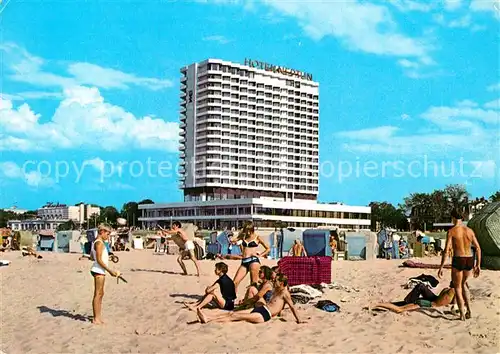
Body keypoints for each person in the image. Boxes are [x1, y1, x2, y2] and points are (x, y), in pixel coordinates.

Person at [197, 273, 306, 324]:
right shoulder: (277, 290)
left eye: (276, 280)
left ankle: (209, 320)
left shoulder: (285, 293)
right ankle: (208, 316)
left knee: (235, 316)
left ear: (282, 283)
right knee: (231, 313)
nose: (274, 281)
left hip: (265, 315)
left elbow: (292, 307)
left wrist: (299, 320)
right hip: (262, 308)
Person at [438, 209, 481, 321]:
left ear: (453, 218)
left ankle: (462, 314)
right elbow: (478, 248)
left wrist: (441, 267)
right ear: (462, 218)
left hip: (458, 259)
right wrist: (478, 265)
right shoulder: (470, 231)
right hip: (469, 259)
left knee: (457, 287)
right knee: (464, 284)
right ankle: (470, 311)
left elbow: (446, 250)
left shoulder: (451, 231)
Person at [90, 224, 120, 325]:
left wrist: (109, 258)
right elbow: (98, 260)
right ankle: (96, 318)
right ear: (102, 231)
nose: (108, 236)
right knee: (98, 294)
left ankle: (98, 316)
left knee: (101, 293)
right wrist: (110, 270)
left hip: (100, 270)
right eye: (108, 233)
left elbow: (93, 257)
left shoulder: (99, 242)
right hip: (98, 270)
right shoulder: (99, 243)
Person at [369, 282, 456, 314]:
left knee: (400, 308)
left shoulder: (451, 291)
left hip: (428, 303)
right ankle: (378, 304)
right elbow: (452, 304)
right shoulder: (451, 291)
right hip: (429, 302)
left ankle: (378, 305)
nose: (451, 281)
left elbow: (452, 304)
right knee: (400, 308)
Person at [231, 222, 270, 292]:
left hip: (253, 261)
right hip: (244, 261)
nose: (248, 232)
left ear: (252, 229)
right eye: (246, 230)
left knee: (253, 284)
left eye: (249, 230)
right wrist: (241, 233)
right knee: (234, 283)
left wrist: (260, 255)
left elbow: (268, 248)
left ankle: (253, 301)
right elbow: (232, 240)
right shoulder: (243, 236)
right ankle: (232, 300)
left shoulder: (257, 237)